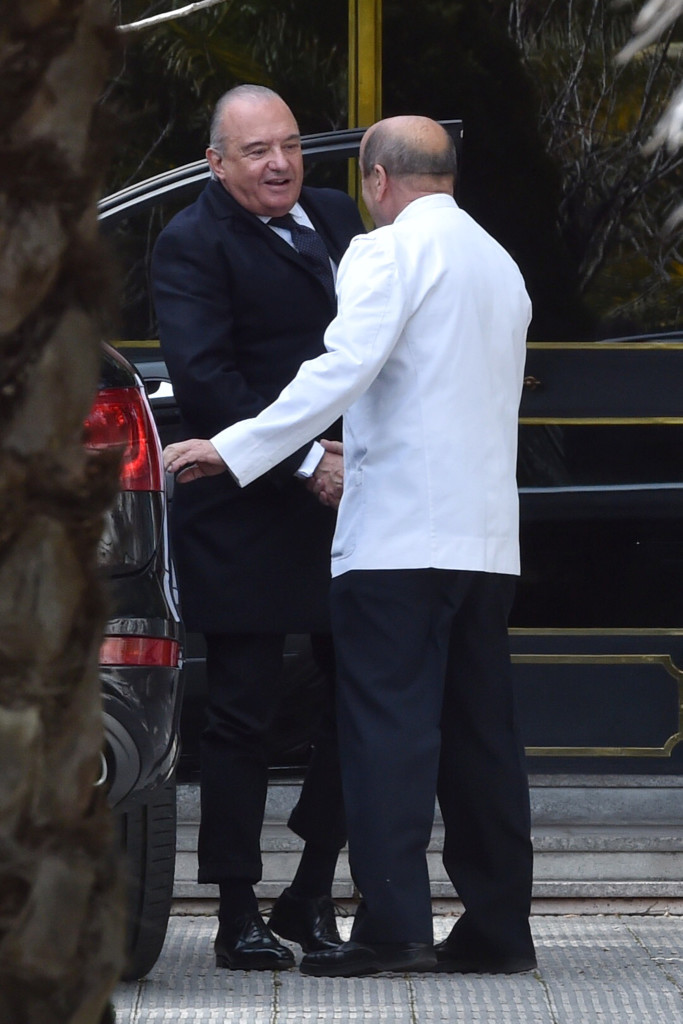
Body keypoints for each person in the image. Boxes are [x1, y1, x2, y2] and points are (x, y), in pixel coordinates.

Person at [163, 115, 537, 979]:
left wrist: (236, 446)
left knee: (388, 736)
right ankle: (497, 929)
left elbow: (342, 365)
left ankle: (394, 928)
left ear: (374, 180)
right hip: (484, 544)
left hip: (398, 539)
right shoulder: (499, 263)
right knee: (480, 740)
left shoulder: (385, 251)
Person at [151, 84, 365, 972]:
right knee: (241, 717)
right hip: (243, 505)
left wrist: (349, 461)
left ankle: (312, 889)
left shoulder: (339, 214)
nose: (279, 165)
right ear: (216, 162)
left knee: (362, 700)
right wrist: (309, 458)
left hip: (351, 503)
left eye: (289, 145)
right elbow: (207, 381)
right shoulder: (188, 241)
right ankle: (235, 910)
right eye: (255, 152)